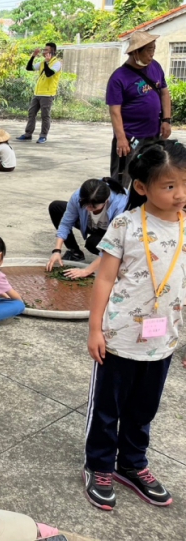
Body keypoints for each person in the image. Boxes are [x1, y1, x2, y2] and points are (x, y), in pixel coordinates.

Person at [83, 138, 185, 511]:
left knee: (144, 409)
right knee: (108, 409)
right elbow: (105, 280)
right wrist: (95, 328)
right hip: (119, 339)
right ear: (142, 187)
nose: (180, 194)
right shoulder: (125, 225)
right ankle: (99, 465)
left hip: (163, 342)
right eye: (170, 185)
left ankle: (132, 463)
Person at [106, 31, 171, 184]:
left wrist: (166, 120)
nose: (152, 54)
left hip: (154, 135)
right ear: (136, 52)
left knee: (152, 176)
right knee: (122, 179)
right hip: (130, 138)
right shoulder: (118, 77)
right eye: (149, 50)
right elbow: (115, 111)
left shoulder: (155, 67)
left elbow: (164, 93)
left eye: (154, 49)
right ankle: (119, 207)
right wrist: (121, 138)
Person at [47, 177, 128, 278]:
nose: (88, 209)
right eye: (85, 205)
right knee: (56, 207)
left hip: (111, 232)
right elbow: (65, 223)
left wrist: (86, 271)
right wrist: (57, 251)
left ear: (106, 200)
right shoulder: (79, 195)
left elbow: (114, 243)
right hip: (90, 224)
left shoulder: (121, 204)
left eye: (93, 207)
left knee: (92, 243)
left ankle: (117, 260)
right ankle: (75, 252)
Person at [16, 42, 62, 144]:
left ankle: (43, 136)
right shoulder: (42, 63)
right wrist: (33, 56)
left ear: (52, 51)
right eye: (44, 49)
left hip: (47, 94)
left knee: (45, 116)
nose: (44, 51)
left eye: (46, 50)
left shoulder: (57, 63)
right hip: (37, 93)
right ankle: (28, 134)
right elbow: (29, 68)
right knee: (31, 113)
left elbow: (49, 74)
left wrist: (47, 62)